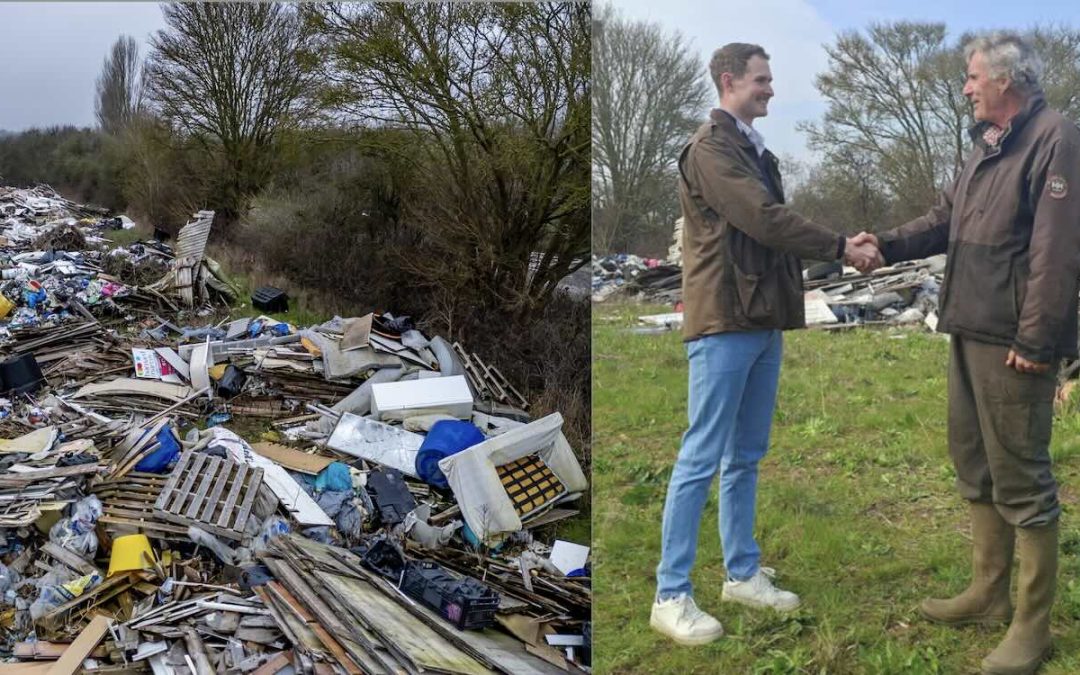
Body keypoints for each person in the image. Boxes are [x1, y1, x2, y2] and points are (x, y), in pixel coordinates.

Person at [850, 32, 1078, 675]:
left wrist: (1038, 341)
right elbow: (943, 218)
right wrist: (881, 244)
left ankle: (1032, 629)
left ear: (1008, 80)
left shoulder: (1056, 137)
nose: (967, 88)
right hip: (969, 328)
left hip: (1013, 340)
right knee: (975, 463)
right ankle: (986, 594)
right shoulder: (988, 147)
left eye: (974, 77)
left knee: (1024, 481)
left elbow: (1057, 253)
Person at [650, 42, 881, 646]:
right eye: (762, 80)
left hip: (759, 318)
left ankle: (741, 573)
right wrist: (840, 246)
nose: (771, 88)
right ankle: (671, 594)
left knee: (745, 455)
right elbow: (764, 219)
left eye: (771, 79)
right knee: (701, 456)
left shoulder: (754, 149)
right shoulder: (711, 149)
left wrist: (836, 247)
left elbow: (770, 222)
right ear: (729, 81)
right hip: (725, 319)